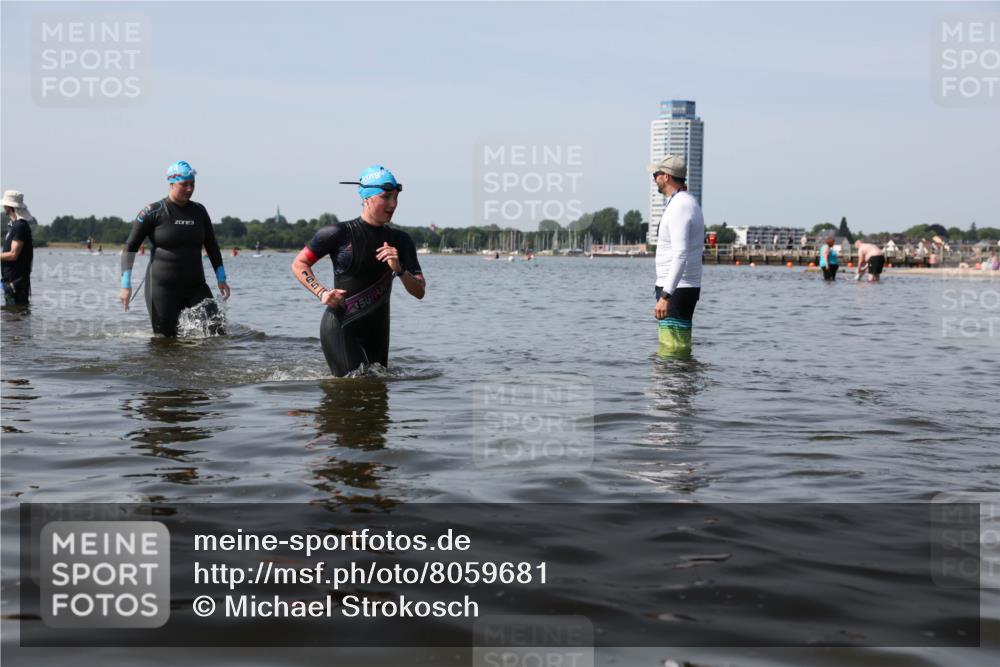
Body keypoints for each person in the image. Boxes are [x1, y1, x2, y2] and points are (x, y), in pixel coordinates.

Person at [291, 165, 425, 376]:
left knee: (376, 391)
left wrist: (399, 269)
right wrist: (322, 292)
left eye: (396, 197)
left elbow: (419, 291)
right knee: (356, 386)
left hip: (378, 331)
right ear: (366, 198)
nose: (393, 204)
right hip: (341, 326)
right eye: (386, 197)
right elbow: (299, 264)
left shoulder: (401, 240)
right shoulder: (337, 233)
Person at [119, 160, 231, 336]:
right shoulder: (153, 211)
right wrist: (125, 285)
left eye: (192, 184)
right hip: (162, 288)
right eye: (184, 184)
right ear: (171, 184)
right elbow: (130, 247)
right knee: (165, 342)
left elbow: (212, 246)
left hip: (196, 286)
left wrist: (221, 277)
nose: (189, 189)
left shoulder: (199, 211)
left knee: (218, 333)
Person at [649, 155, 704, 355]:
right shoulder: (685, 202)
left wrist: (666, 295)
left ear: (666, 177)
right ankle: (681, 375)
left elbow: (680, 254)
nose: (654, 179)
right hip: (679, 287)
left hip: (677, 289)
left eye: (656, 175)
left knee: (672, 351)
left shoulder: (680, 206)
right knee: (674, 348)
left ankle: (675, 376)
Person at [1, 190, 35, 306]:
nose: (3, 207)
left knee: (16, 313)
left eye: (5, 204)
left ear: (9, 206)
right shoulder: (15, 226)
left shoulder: (20, 226)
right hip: (12, 281)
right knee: (13, 313)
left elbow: (13, 254)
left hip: (17, 282)